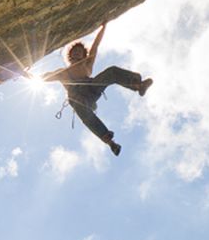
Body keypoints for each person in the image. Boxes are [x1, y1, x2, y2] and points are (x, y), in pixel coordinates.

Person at [48, 22, 151, 155]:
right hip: (78, 98)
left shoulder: (87, 64)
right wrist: (24, 74)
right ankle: (111, 143)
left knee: (112, 72)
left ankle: (138, 85)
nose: (78, 53)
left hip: (91, 89)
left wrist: (103, 27)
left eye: (80, 52)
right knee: (82, 110)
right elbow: (44, 77)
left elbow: (95, 45)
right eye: (75, 52)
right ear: (71, 55)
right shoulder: (62, 72)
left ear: (83, 55)